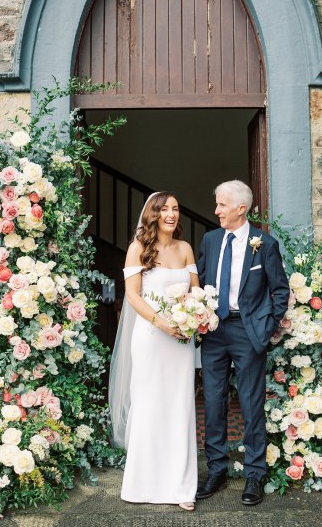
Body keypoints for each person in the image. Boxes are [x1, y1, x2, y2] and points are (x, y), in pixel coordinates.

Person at [196, 180, 289, 505]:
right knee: (213, 400)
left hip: (248, 332)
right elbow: (202, 281)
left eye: (222, 204)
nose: (217, 210)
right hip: (214, 331)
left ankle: (253, 475)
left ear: (240, 208)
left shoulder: (264, 244)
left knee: (250, 404)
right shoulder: (209, 239)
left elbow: (280, 290)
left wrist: (266, 326)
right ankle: (217, 471)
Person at [109, 192, 199, 511]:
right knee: (149, 405)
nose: (171, 214)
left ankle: (182, 487)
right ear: (153, 214)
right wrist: (161, 322)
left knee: (180, 407)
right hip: (150, 336)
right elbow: (133, 296)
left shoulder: (185, 248)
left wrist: (198, 313)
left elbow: (196, 291)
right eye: (165, 209)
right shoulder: (138, 248)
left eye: (175, 208)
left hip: (181, 341)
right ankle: (142, 484)